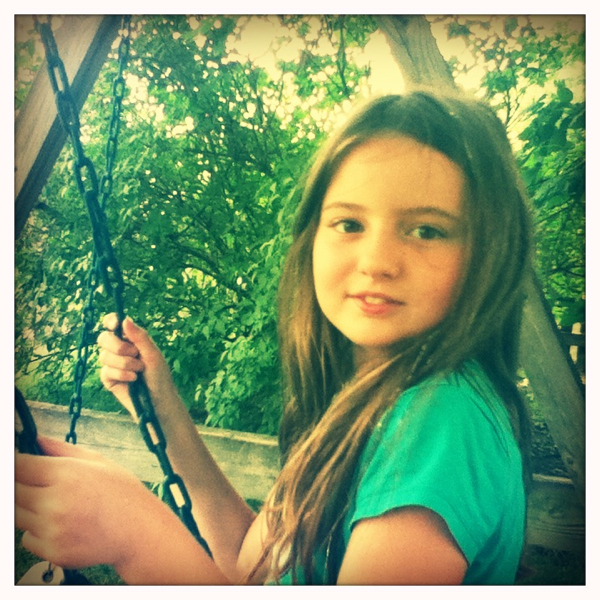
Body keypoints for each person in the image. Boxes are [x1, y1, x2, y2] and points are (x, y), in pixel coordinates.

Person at [16, 89, 533, 585]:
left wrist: (133, 533)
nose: (377, 261)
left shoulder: (441, 420)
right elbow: (251, 566)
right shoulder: (359, 400)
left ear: (490, 256)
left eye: (426, 231)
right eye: (349, 223)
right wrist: (162, 411)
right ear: (312, 237)